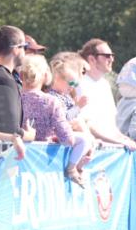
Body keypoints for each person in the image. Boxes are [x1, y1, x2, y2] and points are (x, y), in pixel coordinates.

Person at [20, 54, 91, 187]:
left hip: (18, 157)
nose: (72, 87)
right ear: (46, 76)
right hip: (42, 157)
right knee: (83, 140)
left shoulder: (15, 97)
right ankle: (71, 169)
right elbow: (67, 139)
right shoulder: (51, 101)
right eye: (70, 83)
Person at [76, 39, 136, 150]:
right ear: (91, 59)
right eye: (107, 56)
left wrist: (124, 139)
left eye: (112, 55)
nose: (112, 59)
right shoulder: (79, 84)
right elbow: (87, 125)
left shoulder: (105, 84)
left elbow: (111, 125)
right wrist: (117, 142)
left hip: (110, 149)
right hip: (92, 151)